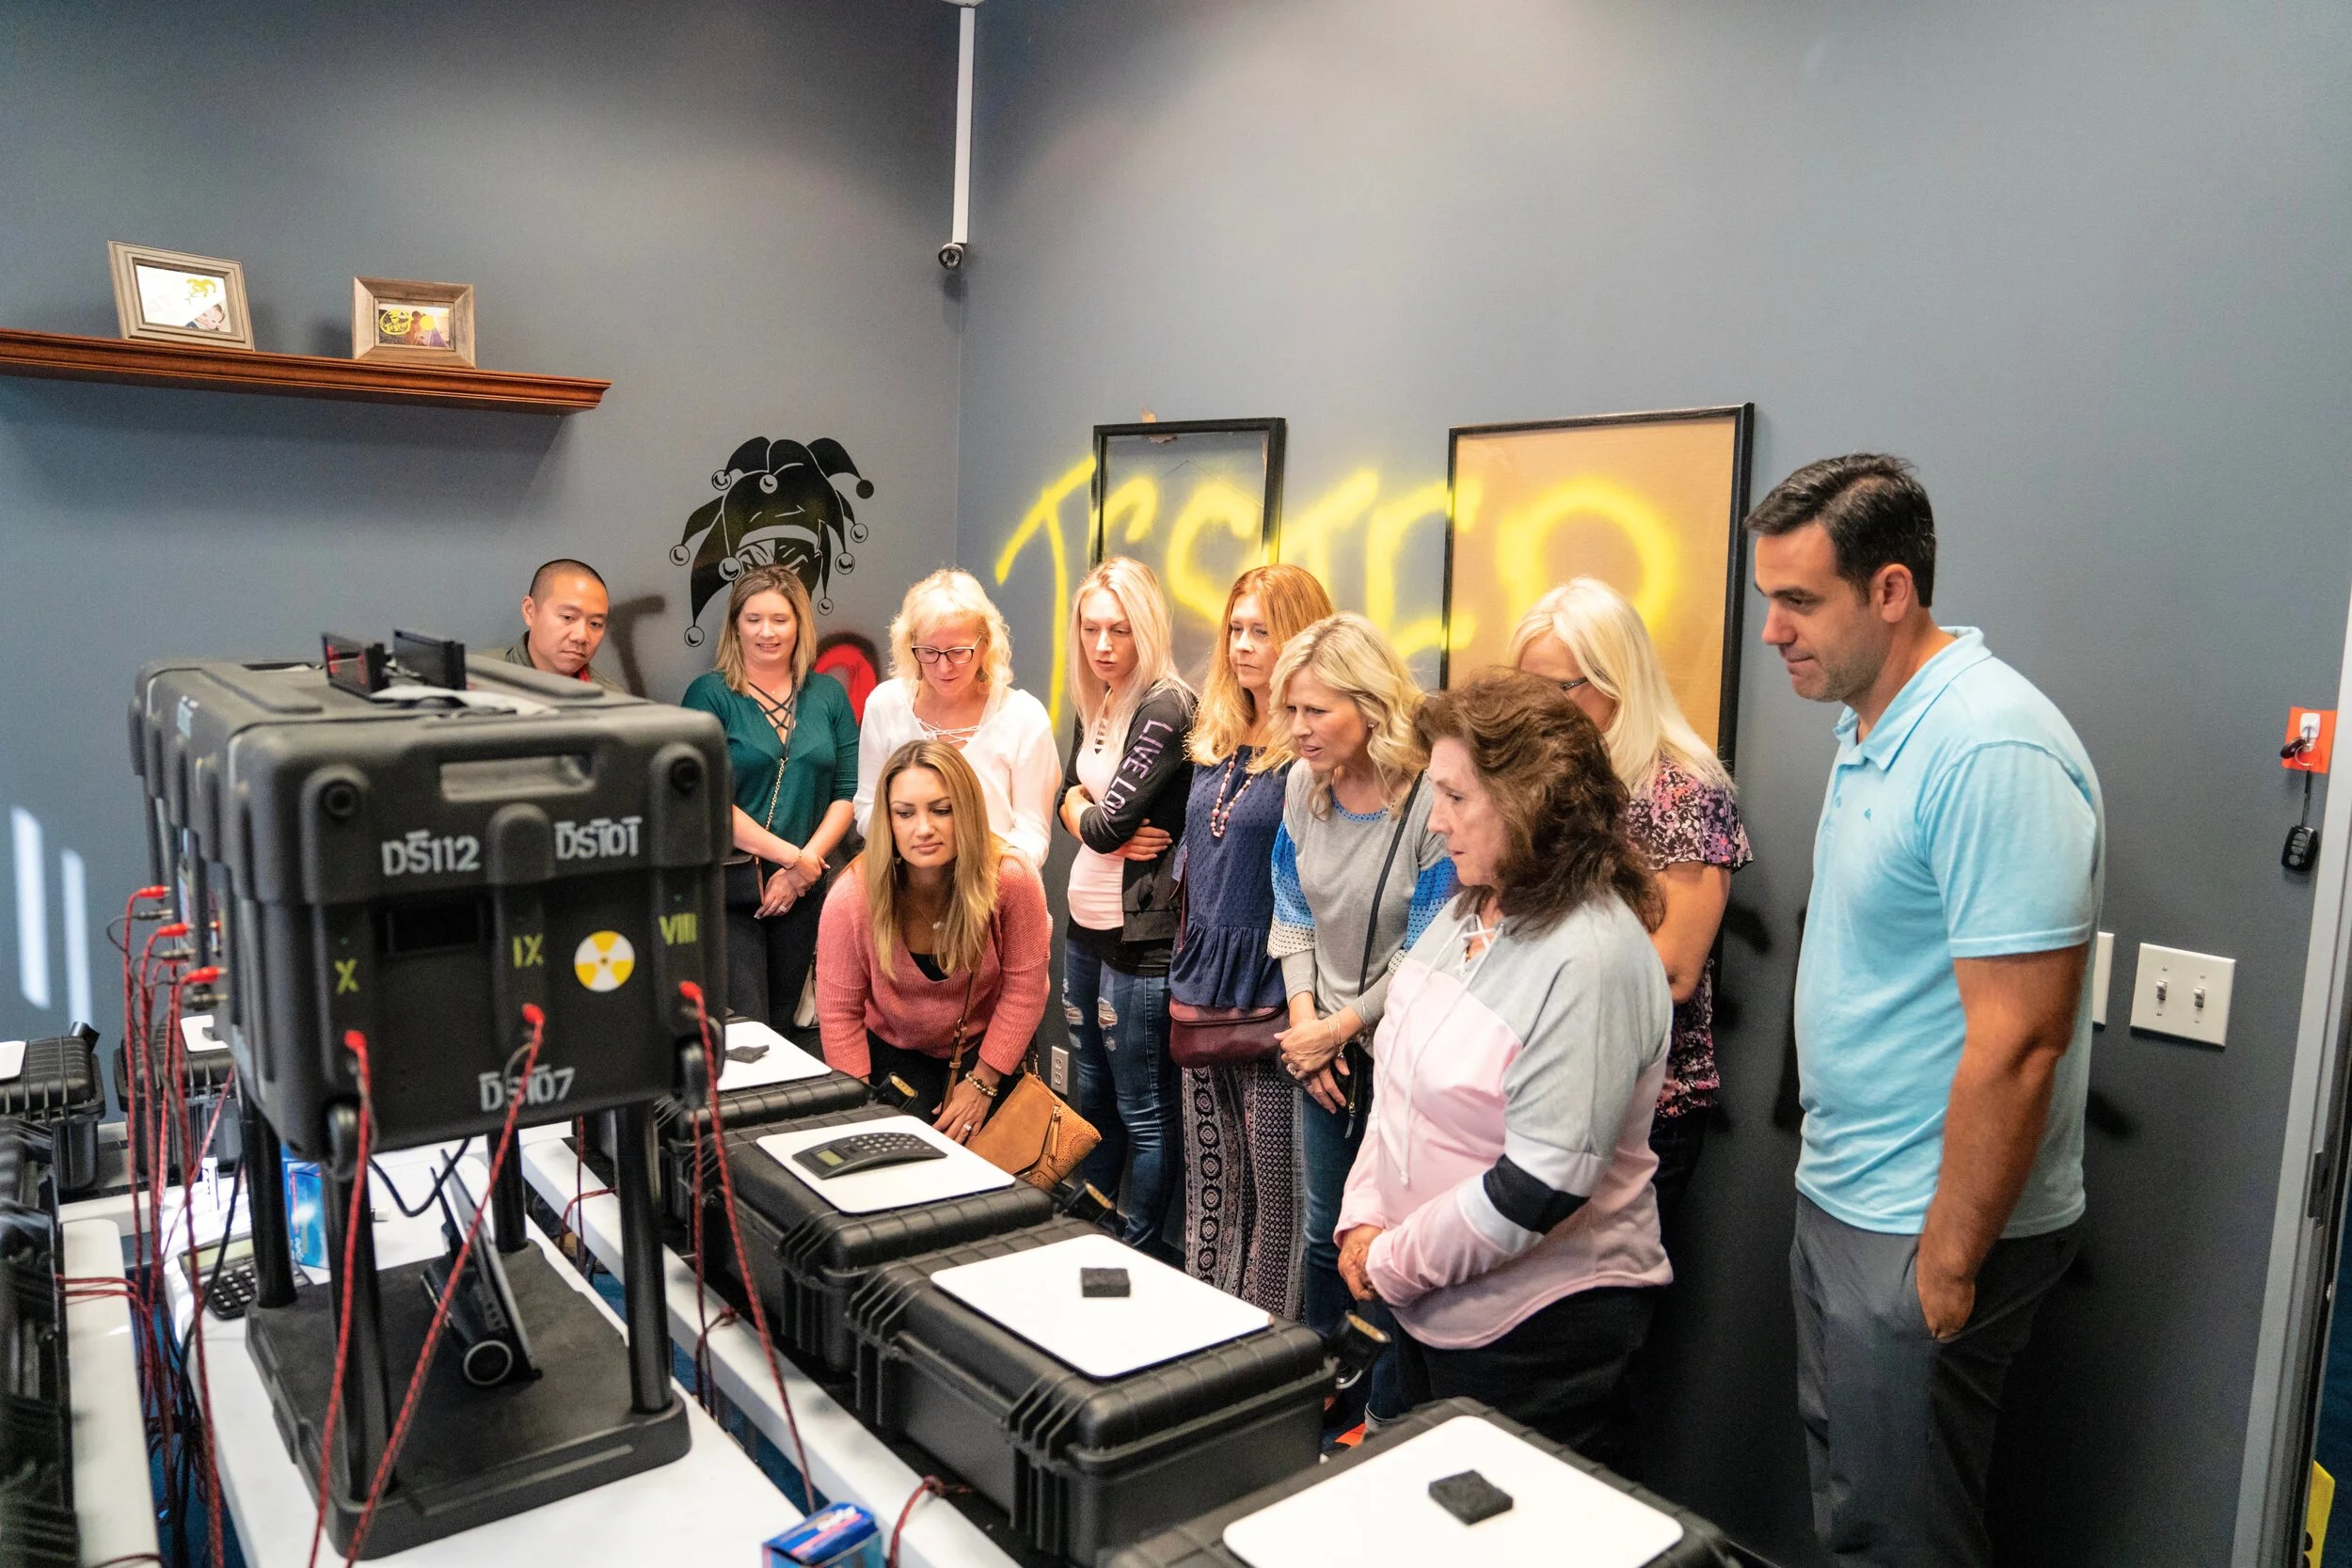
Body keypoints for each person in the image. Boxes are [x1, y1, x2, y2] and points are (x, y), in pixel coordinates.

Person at [1750, 453, 2101, 1567]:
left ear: (1890, 590)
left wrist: (1943, 1269)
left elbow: (2021, 1038)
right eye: (1770, 601)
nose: (1773, 632)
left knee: (1905, 1538)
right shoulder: (1870, 722)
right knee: (1858, 1509)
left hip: (1919, 1226)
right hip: (1847, 1197)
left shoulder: (1989, 742)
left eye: (1799, 601)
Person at [1335, 672, 1674, 1462]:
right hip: (1426, 1300)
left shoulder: (1591, 955)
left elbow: (1537, 1188)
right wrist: (1363, 1213)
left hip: (1534, 1330)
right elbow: (1398, 1085)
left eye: (1456, 797)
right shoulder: (1471, 904)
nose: (1435, 819)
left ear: (1528, 801)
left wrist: (1389, 1258)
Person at [1513, 579, 1751, 1229]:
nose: (1535, 708)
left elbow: (1672, 970)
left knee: (1604, 1313)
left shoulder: (1681, 789)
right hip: (1544, 1084)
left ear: (1616, 680)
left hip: (1644, 1106)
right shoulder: (1550, 779)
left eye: (1555, 689)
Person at [1264, 613, 1457, 1373]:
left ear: (1371, 708)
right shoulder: (1298, 786)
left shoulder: (1428, 805)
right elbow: (1290, 903)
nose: (1299, 729)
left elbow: (1427, 946)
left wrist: (1340, 1026)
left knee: (1379, 1241)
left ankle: (1376, 1404)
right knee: (1322, 1231)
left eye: (1317, 711)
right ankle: (1320, 1387)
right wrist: (1306, 1021)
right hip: (1325, 1044)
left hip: (1396, 1050)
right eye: (1292, 710)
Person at [1172, 563, 1335, 1313]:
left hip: (1274, 996)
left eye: (1261, 630)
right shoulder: (1216, 737)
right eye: (1235, 628)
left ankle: (1259, 1349)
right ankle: (1202, 1324)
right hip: (1202, 989)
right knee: (1212, 1183)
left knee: (1277, 1200)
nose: (1241, 645)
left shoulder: (1312, 755)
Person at [1058, 558, 1196, 1256]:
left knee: (1143, 1108)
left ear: (1146, 629)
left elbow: (1107, 827)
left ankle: (1136, 1249)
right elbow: (1071, 798)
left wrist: (1083, 813)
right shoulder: (1101, 698)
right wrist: (1082, 807)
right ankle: (1092, 1230)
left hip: (1141, 938)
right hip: (1085, 925)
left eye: (1118, 629)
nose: (1103, 644)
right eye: (1091, 629)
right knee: (1092, 1096)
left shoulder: (1165, 706)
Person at [815, 740, 1051, 1142]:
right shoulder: (853, 896)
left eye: (941, 810)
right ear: (887, 820)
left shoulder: (1011, 878)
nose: (923, 829)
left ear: (967, 812)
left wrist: (984, 1083)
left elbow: (1026, 990)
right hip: (891, 1052)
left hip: (987, 1050)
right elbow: (840, 1015)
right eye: (904, 813)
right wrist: (858, 1111)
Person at [681, 565, 859, 1029]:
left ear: (799, 624)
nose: (767, 632)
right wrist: (789, 859)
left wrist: (803, 871)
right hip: (734, 888)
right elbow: (706, 797)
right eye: (753, 619)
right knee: (747, 1027)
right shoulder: (709, 695)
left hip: (806, 889)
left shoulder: (828, 696)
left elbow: (846, 792)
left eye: (780, 619)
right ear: (735, 625)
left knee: (789, 1025)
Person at [857, 569, 1059, 867]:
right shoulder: (885, 704)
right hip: (905, 889)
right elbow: (866, 807)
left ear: (985, 645)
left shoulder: (1023, 717)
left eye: (958, 652)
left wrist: (974, 869)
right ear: (910, 646)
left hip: (991, 890)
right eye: (929, 651)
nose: (943, 668)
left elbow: (1032, 837)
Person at [501, 558, 623, 690]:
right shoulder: (478, 679)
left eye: (595, 624)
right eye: (568, 617)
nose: (581, 636)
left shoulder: (612, 701)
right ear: (529, 611)